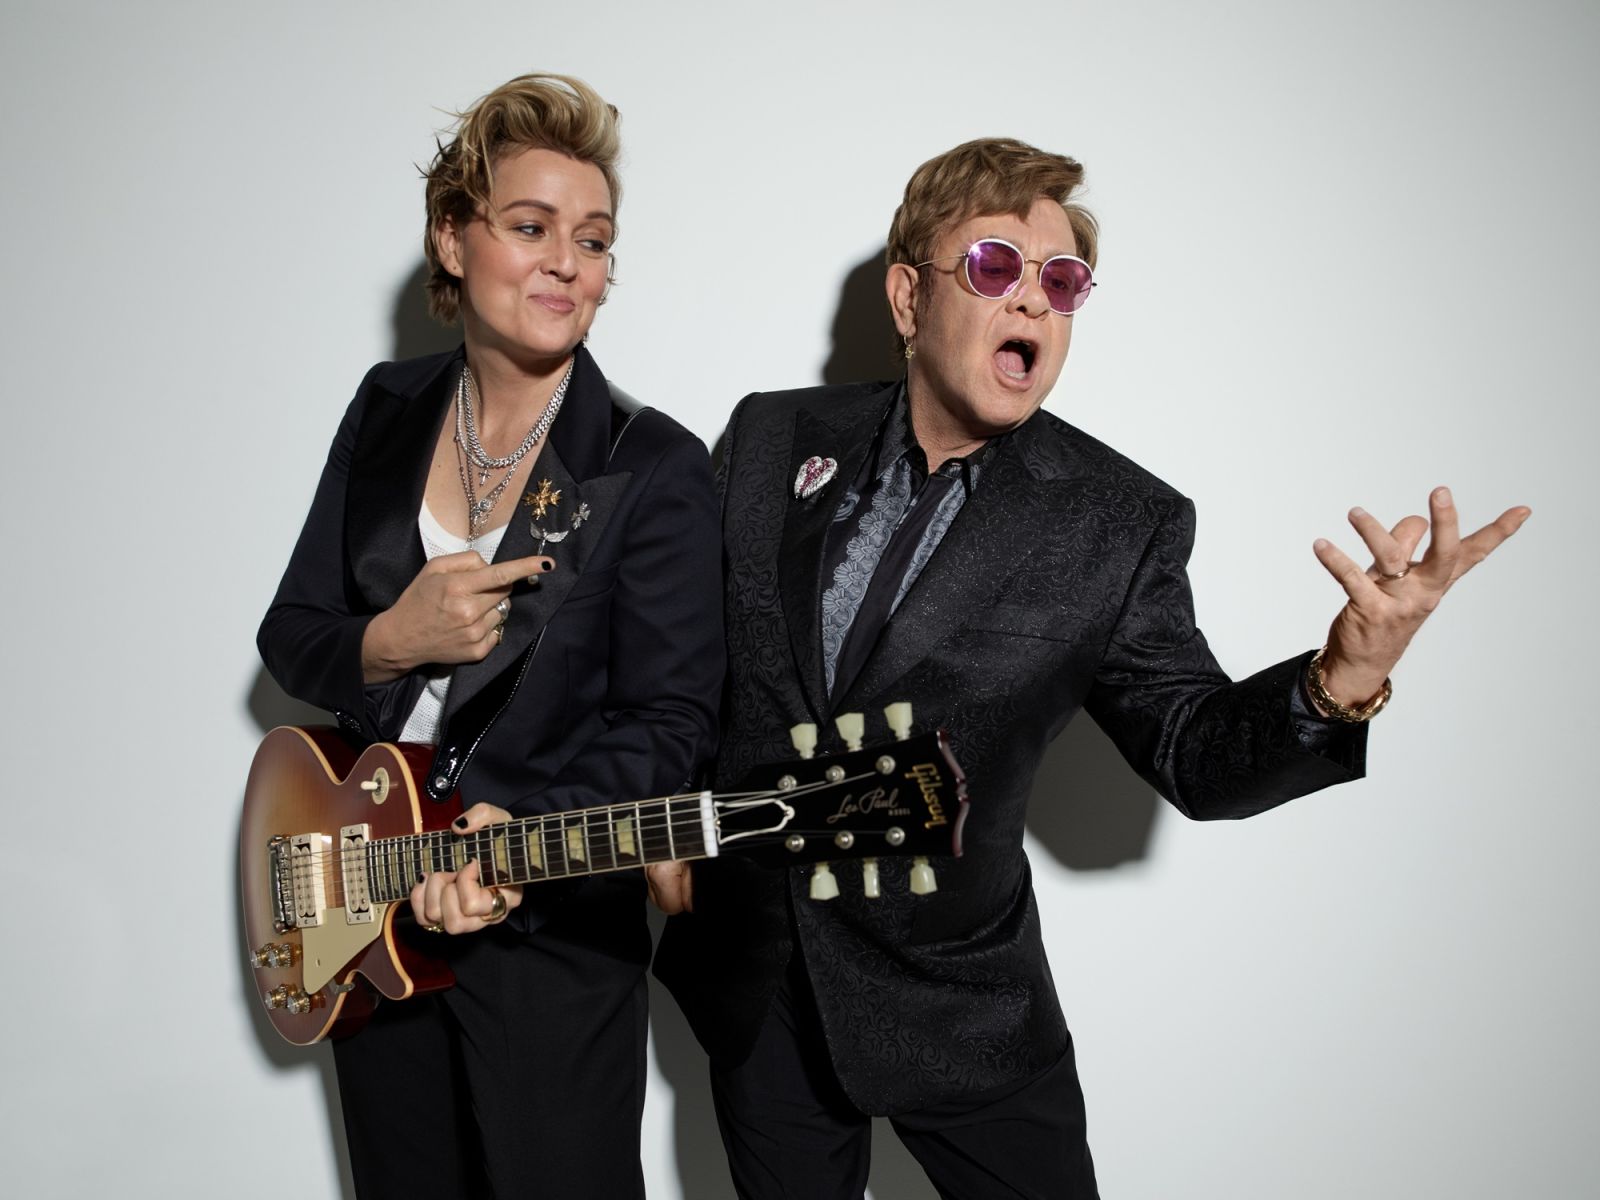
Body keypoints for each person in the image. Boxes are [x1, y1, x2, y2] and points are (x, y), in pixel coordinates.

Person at [647, 137, 1528, 1199]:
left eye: (1060, 281)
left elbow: (1194, 751)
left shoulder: (1117, 521)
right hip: (757, 981)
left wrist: (1342, 676)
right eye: (994, 267)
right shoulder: (770, 435)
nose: (1033, 299)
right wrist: (669, 806)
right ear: (908, 297)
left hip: (959, 1008)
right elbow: (678, 652)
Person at [257, 73, 722, 1199]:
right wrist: (394, 636)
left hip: (549, 930)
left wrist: (514, 833)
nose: (568, 263)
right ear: (452, 240)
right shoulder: (386, 406)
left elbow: (671, 722)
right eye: (530, 227)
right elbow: (291, 634)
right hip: (366, 898)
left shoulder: (650, 464)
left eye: (593, 240)